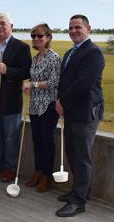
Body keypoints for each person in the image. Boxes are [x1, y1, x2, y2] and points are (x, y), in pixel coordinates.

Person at [55, 15, 105, 217]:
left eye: (78, 27)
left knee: (82, 158)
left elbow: (83, 85)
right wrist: (62, 101)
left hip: (85, 113)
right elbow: (65, 81)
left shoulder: (93, 53)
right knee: (73, 154)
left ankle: (79, 201)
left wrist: (62, 102)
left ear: (88, 29)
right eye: (70, 28)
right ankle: (81, 191)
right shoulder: (69, 52)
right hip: (71, 112)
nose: (73, 31)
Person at [0, 12, 31, 182]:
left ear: (11, 26)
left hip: (9, 98)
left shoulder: (21, 47)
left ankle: (9, 167)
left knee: (10, 133)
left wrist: (7, 70)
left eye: (3, 23)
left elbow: (26, 71)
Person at [22, 24, 60, 192]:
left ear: (48, 37)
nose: (36, 39)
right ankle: (37, 172)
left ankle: (46, 175)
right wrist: (30, 87)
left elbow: (54, 82)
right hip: (35, 105)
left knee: (47, 141)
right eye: (34, 36)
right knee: (37, 140)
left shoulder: (54, 58)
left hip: (48, 106)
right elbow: (33, 81)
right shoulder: (35, 57)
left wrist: (34, 84)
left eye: (40, 36)